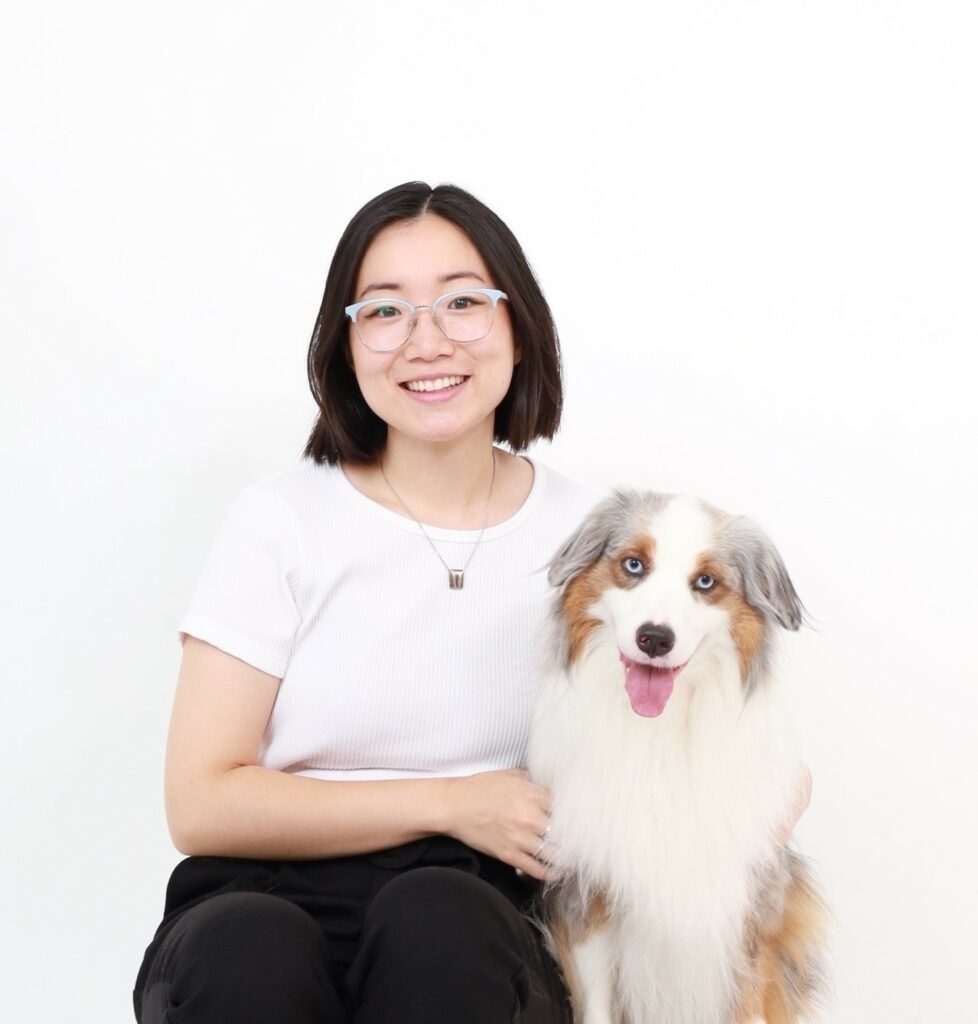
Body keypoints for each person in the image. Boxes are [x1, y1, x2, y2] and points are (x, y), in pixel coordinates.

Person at [133, 181, 604, 1023]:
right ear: (346, 344)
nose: (427, 342)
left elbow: (682, 737)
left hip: (484, 914)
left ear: (517, 326)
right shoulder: (282, 519)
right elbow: (199, 802)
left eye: (463, 302)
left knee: (439, 926)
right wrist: (452, 803)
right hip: (264, 894)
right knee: (249, 952)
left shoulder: (593, 539)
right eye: (386, 312)